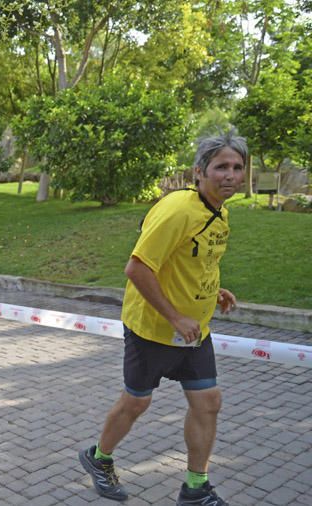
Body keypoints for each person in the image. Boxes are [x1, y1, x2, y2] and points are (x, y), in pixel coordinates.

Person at [79, 131, 246, 506]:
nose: (230, 175)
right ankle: (98, 458)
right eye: (221, 167)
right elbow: (136, 268)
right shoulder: (177, 210)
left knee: (209, 402)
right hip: (153, 329)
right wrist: (174, 316)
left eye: (237, 167)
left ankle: (195, 488)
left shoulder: (220, 211)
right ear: (199, 171)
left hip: (194, 333)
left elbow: (195, 261)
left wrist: (213, 290)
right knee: (137, 403)